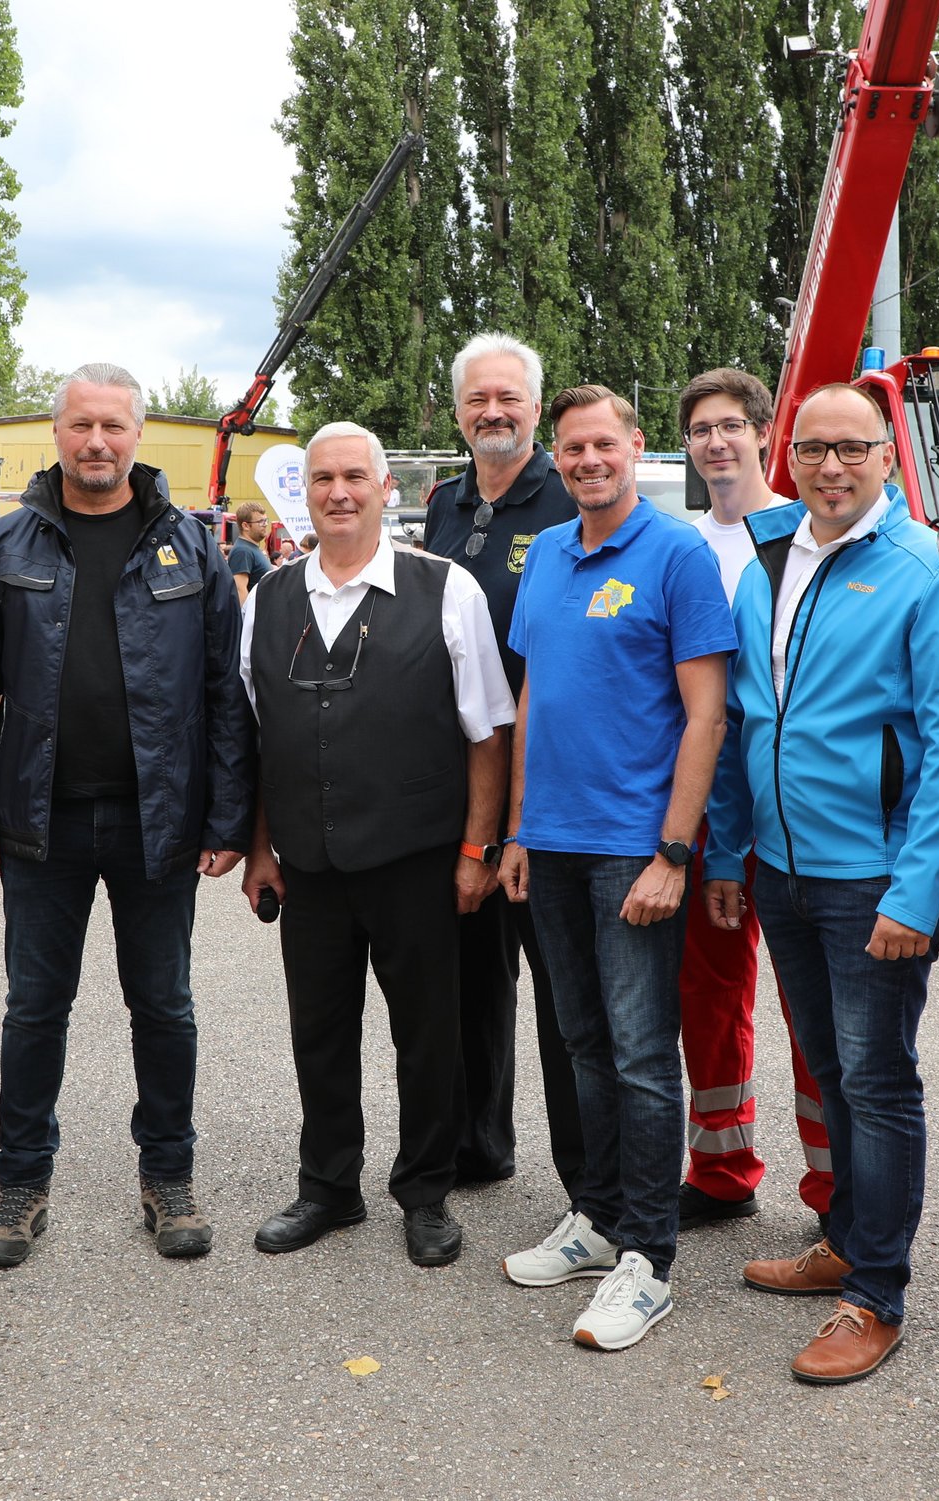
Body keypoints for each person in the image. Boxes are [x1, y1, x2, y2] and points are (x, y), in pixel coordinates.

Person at [703, 382, 939, 1379]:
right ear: (787, 455)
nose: (830, 467)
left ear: (886, 457)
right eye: (813, 448)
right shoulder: (769, 560)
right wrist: (729, 852)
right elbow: (746, 719)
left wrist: (915, 890)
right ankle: (844, 1239)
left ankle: (875, 1294)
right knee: (831, 1071)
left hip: (874, 879)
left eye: (852, 448)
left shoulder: (933, 575)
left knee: (875, 1083)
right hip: (780, 870)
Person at [0, 362, 254, 1268]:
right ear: (57, 432)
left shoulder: (188, 546)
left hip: (159, 823)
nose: (96, 441)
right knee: (34, 1008)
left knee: (164, 1005)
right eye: (81, 424)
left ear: (137, 434)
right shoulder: (6, 546)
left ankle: (169, 1176)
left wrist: (226, 819)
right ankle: (20, 1185)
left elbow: (224, 694)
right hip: (40, 823)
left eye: (113, 425)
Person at [240, 422, 515, 1267]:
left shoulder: (447, 588)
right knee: (318, 1032)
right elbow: (260, 738)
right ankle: (328, 1185)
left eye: (355, 476)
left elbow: (488, 732)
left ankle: (425, 1190)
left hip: (418, 860)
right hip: (309, 864)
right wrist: (260, 850)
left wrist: (476, 851)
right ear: (306, 490)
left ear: (386, 488)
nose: (339, 492)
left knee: (428, 1035)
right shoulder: (268, 598)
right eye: (323, 477)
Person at [498, 384, 734, 1351]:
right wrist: (517, 830)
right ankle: (596, 1219)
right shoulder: (549, 552)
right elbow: (533, 700)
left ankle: (648, 1256)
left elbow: (707, 715)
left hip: (633, 848)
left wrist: (674, 851)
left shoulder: (676, 554)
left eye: (604, 443)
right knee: (583, 1043)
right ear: (555, 458)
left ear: (636, 447)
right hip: (551, 844)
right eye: (572, 447)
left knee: (640, 1055)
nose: (589, 460)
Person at [422, 332, 585, 1202]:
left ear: (535, 408)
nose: (493, 411)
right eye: (478, 398)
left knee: (563, 995)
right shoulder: (444, 504)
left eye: (509, 398)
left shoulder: (569, 500)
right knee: (468, 978)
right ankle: (475, 1143)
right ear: (459, 411)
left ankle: (589, 1186)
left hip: (550, 784)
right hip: (460, 782)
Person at [669, 367, 833, 1232]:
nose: (717, 442)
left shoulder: (808, 537)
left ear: (765, 433)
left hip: (796, 814)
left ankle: (836, 1191)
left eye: (732, 425)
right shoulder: (682, 547)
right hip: (709, 812)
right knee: (710, 996)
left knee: (815, 1010)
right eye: (701, 429)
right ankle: (721, 1167)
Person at [227, 502, 273, 602]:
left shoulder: (251, 548)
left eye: (265, 520)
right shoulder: (242, 551)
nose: (265, 525)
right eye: (260, 521)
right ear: (246, 526)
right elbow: (240, 590)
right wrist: (246, 612)